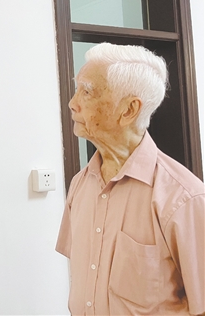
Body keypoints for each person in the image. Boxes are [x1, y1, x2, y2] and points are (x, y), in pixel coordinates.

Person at [56, 43, 204, 315]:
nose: (73, 103)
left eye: (86, 92)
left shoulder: (185, 198)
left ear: (128, 110)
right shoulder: (80, 184)